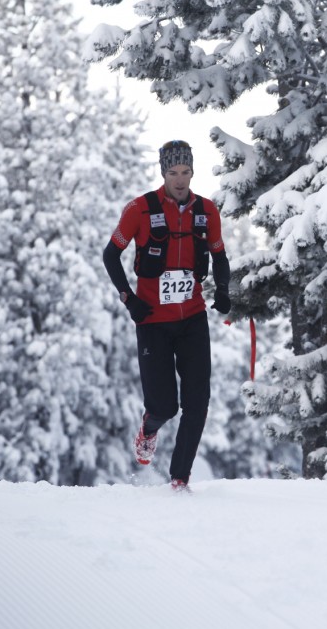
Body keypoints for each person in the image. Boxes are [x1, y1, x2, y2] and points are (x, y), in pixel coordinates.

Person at [102, 140, 230, 493]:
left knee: (197, 401)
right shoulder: (139, 209)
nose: (179, 179)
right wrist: (129, 299)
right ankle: (149, 427)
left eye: (185, 172)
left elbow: (219, 256)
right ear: (163, 172)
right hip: (153, 321)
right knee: (164, 406)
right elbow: (110, 255)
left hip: (192, 318)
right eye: (173, 173)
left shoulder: (207, 211)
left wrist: (223, 290)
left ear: (192, 172)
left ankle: (179, 478)